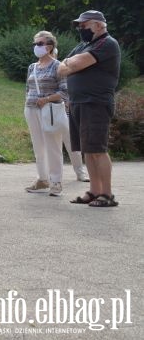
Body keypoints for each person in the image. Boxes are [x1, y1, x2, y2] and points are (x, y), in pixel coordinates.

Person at [58, 11, 121, 208]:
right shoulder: (83, 46)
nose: (80, 29)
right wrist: (71, 63)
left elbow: (75, 63)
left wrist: (72, 63)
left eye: (83, 25)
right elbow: (61, 68)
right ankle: (94, 191)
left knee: (98, 149)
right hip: (78, 103)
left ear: (97, 25)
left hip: (95, 103)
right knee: (88, 150)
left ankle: (107, 194)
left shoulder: (107, 43)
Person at [23, 31, 71, 197]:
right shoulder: (32, 67)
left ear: (49, 46)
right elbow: (27, 89)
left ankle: (56, 181)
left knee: (53, 145)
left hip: (49, 110)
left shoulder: (58, 66)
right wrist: (28, 104)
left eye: (39, 44)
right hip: (31, 109)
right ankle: (42, 179)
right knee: (38, 146)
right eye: (35, 44)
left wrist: (47, 99)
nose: (36, 47)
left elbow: (65, 91)